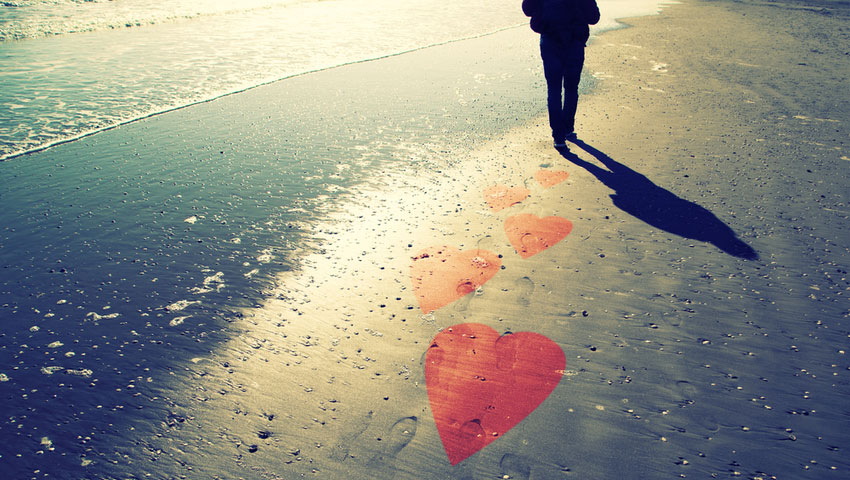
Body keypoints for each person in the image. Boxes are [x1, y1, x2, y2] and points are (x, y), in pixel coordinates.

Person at [522, 0, 600, 148]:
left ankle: (558, 136)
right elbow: (593, 17)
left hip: (550, 40)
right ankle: (568, 128)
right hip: (574, 42)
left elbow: (527, 10)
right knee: (571, 88)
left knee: (554, 89)